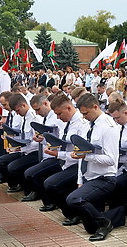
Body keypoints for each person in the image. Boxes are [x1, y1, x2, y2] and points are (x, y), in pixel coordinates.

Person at [66, 94, 127, 241]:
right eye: (82, 114)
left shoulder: (108, 127)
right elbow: (82, 154)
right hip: (89, 176)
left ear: (96, 107)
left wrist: (86, 157)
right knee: (90, 227)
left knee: (74, 199)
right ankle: (123, 211)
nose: (84, 117)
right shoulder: (87, 125)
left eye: (86, 113)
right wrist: (80, 179)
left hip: (104, 178)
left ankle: (105, 223)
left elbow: (111, 160)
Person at [42, 94, 89, 226]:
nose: (58, 117)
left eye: (59, 113)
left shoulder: (81, 123)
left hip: (77, 164)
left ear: (68, 108)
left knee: (51, 184)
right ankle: (69, 210)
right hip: (65, 161)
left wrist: (58, 154)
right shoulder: (65, 122)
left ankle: (74, 213)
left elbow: (79, 153)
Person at [0, 94, 42, 194]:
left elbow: (38, 143)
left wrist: (20, 148)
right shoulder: (24, 117)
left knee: (13, 167)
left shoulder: (35, 118)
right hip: (24, 150)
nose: (17, 114)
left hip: (34, 152)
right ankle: (16, 184)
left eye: (18, 111)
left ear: (23, 105)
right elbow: (21, 135)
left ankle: (30, 190)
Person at [23, 94, 65, 206]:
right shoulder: (46, 118)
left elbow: (60, 140)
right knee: (32, 174)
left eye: (38, 109)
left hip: (55, 156)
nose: (37, 113)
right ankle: (47, 200)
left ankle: (51, 201)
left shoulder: (57, 118)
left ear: (46, 104)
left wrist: (44, 140)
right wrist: (41, 139)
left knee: (32, 174)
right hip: (46, 154)